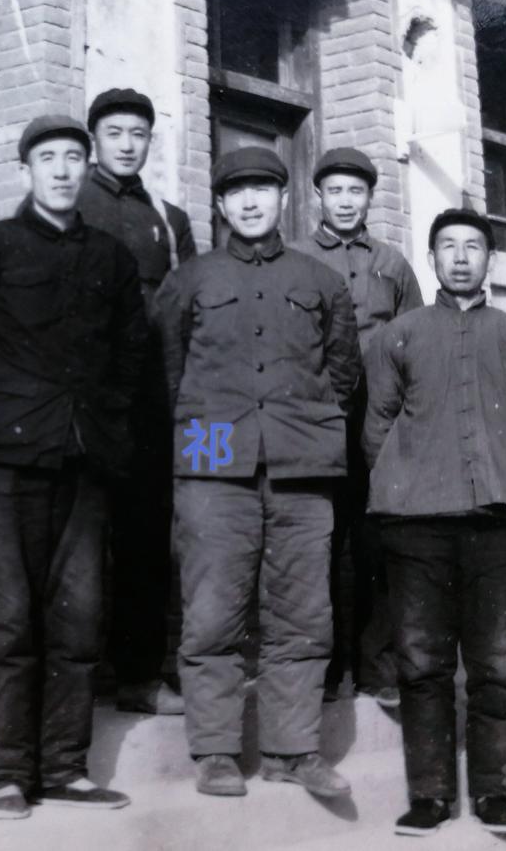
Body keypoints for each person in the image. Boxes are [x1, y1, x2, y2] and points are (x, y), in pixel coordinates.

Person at [0, 115, 147, 819]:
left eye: (74, 157)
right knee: (3, 616)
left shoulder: (111, 257)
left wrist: (101, 426)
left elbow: (129, 359)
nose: (63, 170)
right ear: (26, 171)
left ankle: (64, 765)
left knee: (78, 618)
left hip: (82, 459)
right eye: (48, 158)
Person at [155, 146, 361, 799]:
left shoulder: (320, 281)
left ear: (284, 198)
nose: (250, 202)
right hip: (213, 452)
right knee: (214, 605)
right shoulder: (191, 279)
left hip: (302, 460)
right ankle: (216, 750)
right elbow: (168, 372)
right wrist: (206, 429)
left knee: (302, 610)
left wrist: (302, 425)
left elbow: (343, 372)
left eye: (263, 189)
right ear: (219, 204)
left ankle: (292, 749)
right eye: (237, 192)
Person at [364, 208, 506, 837]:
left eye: (472, 246)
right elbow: (377, 425)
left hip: (497, 527)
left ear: (489, 260)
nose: (459, 257)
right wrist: (412, 476)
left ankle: (495, 794)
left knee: (498, 663)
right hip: (416, 525)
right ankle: (429, 796)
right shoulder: (398, 337)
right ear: (431, 259)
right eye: (447, 246)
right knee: (421, 662)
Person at [76, 87, 197, 715]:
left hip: (153, 402)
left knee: (147, 539)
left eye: (138, 134)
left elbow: (191, 308)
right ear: (94, 139)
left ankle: (140, 676)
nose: (127, 145)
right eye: (114, 132)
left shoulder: (169, 219)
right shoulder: (70, 200)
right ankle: (76, 676)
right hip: (85, 400)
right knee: (78, 538)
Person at [291, 147, 423, 708]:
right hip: (318, 418)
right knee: (316, 543)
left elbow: (417, 342)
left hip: (381, 422)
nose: (345, 202)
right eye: (335, 191)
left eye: (356, 191)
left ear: (370, 198)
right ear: (318, 196)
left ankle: (376, 667)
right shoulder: (295, 258)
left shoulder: (393, 264)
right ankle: (320, 670)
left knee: (376, 545)